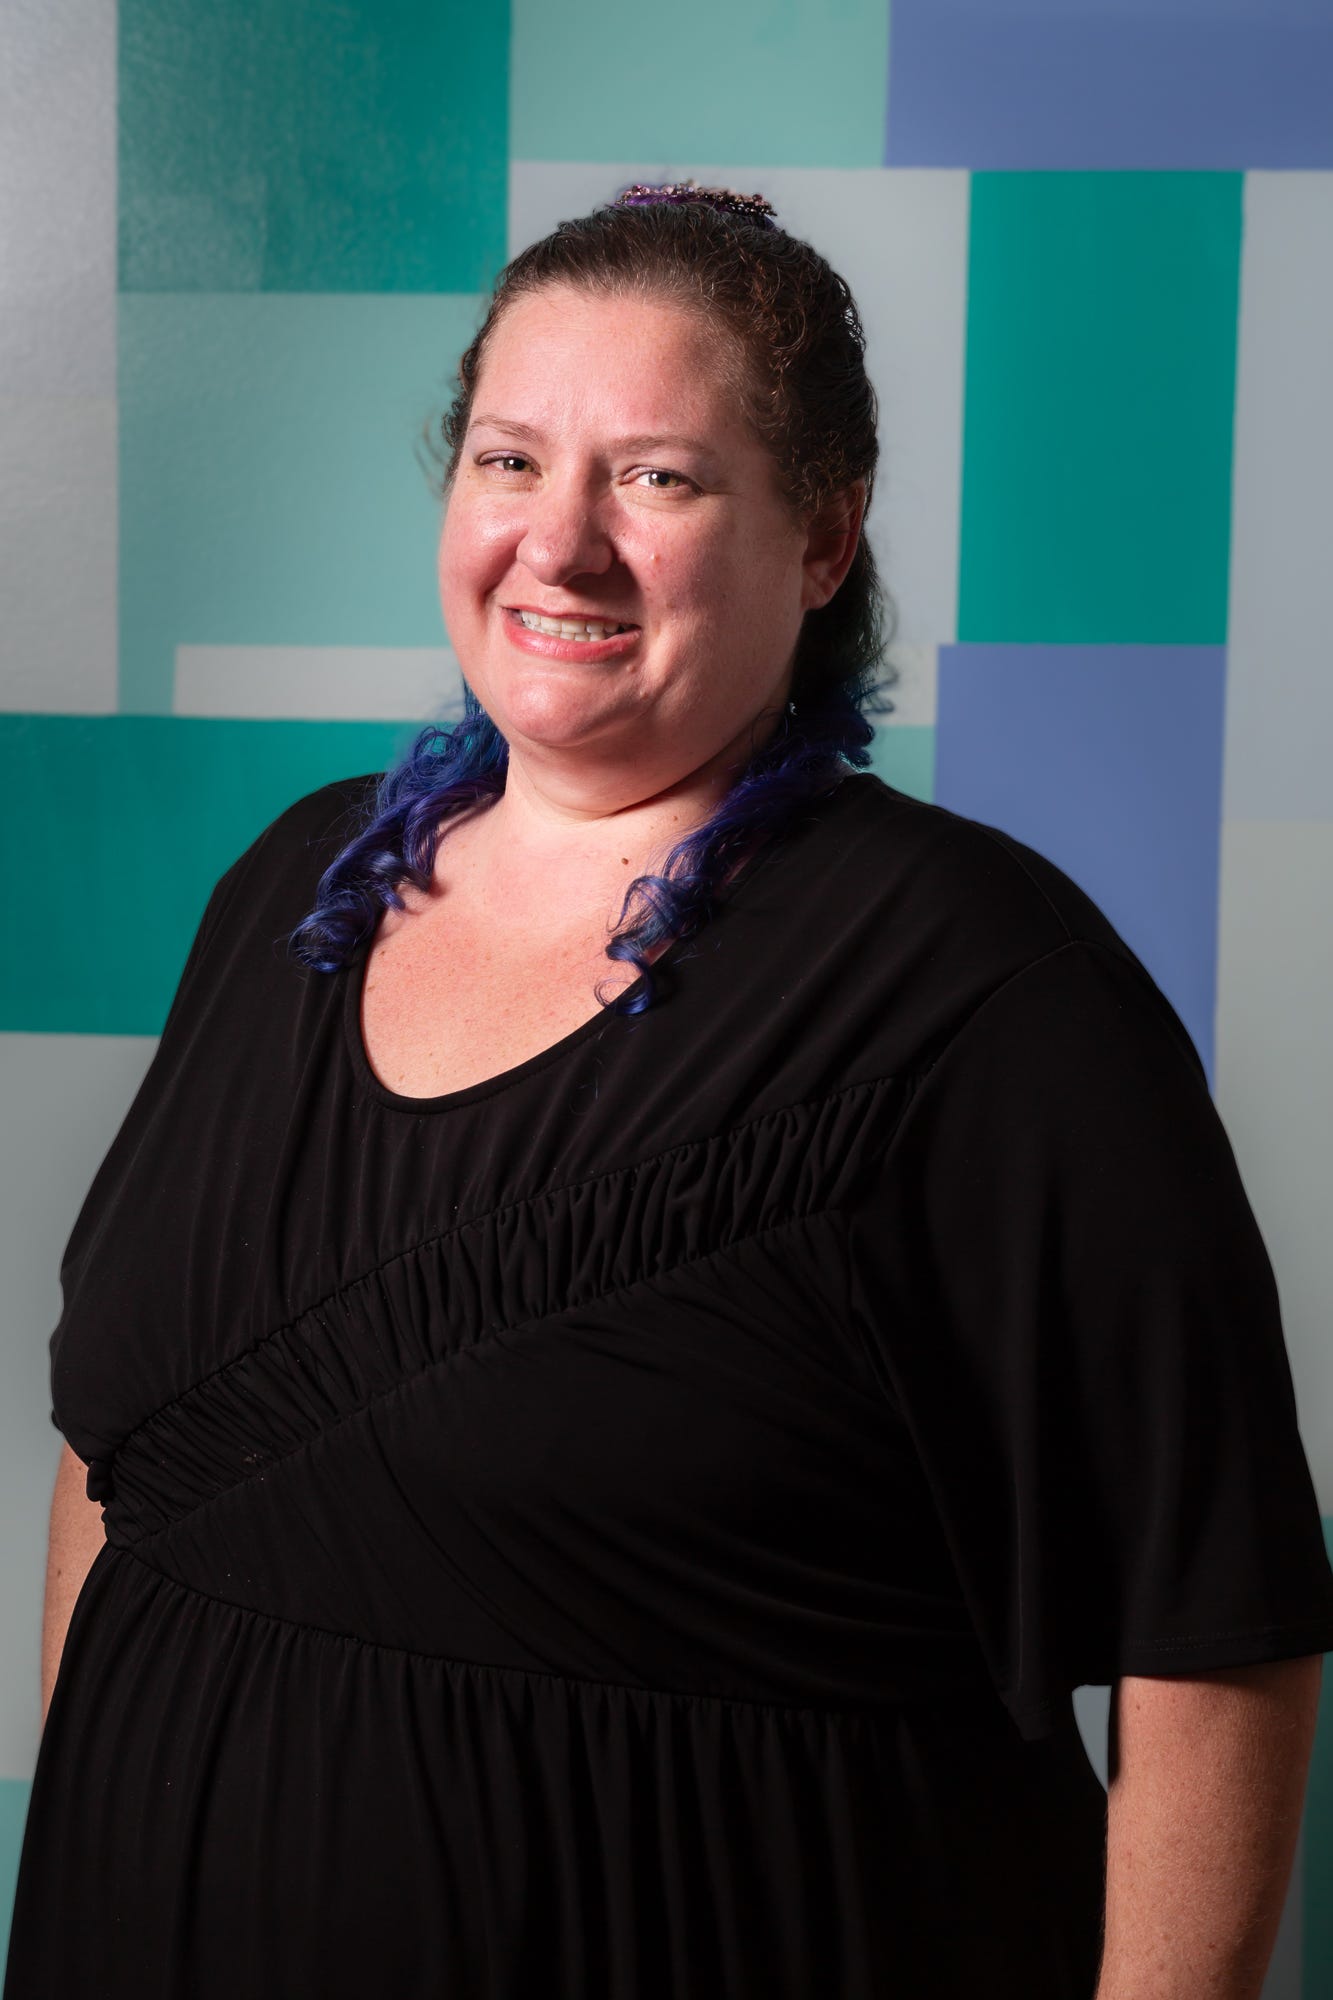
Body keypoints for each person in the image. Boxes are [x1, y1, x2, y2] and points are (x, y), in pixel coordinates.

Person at [6, 183, 1333, 2000]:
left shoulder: (981, 990)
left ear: (821, 535)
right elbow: (120, 1455)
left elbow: (1221, 1635)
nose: (559, 546)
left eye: (658, 477)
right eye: (508, 459)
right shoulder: (294, 895)